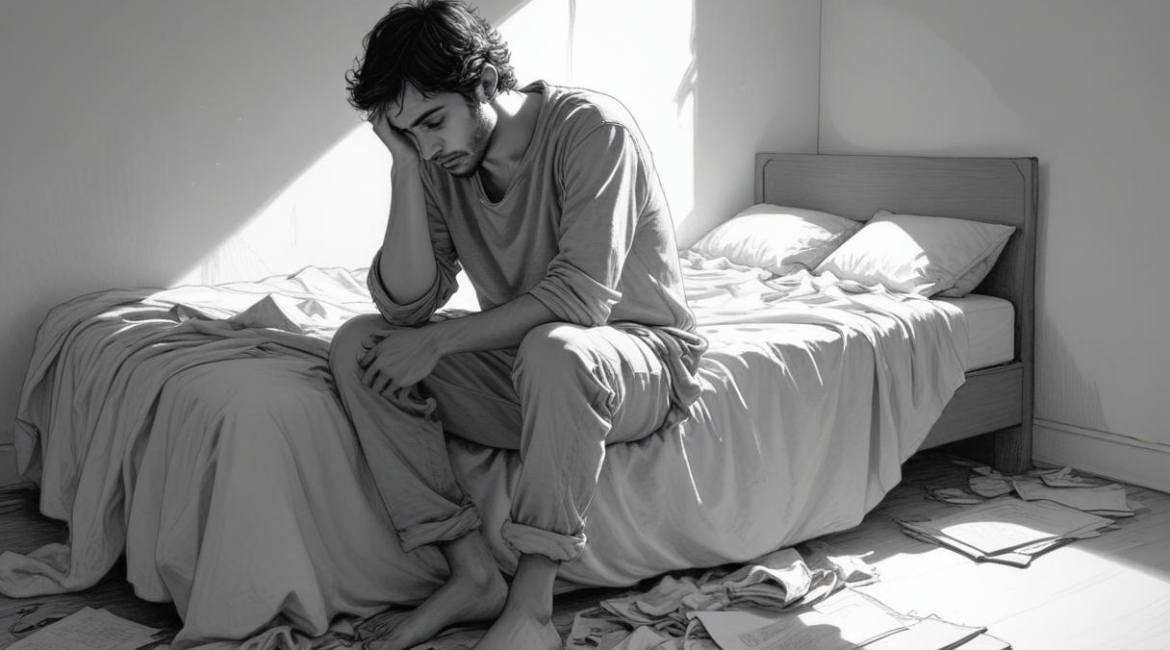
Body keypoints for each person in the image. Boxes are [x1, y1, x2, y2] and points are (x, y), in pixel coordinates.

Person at [329, 1, 705, 648]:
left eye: (434, 122)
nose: (430, 144)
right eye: (409, 133)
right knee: (360, 343)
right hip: (527, 369)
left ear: (483, 84)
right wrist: (403, 167)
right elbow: (405, 308)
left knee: (557, 348)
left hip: (637, 366)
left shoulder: (592, 129)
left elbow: (583, 297)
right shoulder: (438, 163)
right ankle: (470, 572)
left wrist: (441, 341)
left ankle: (531, 607)